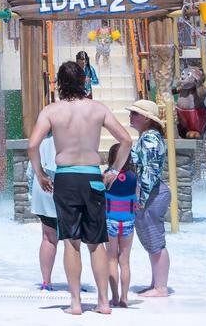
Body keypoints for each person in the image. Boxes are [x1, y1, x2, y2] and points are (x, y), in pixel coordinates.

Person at [27, 62, 132, 316]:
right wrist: (114, 171)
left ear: (58, 83)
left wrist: (40, 174)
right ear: (85, 81)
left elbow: (32, 145)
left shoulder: (51, 111)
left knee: (71, 242)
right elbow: (127, 140)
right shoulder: (97, 109)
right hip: (92, 177)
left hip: (65, 178)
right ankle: (103, 302)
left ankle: (75, 303)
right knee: (96, 243)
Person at [127, 98, 171, 298]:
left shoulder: (150, 138)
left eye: (135, 113)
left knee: (154, 239)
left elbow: (150, 171)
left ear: (146, 118)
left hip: (152, 193)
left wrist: (141, 198)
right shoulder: (148, 136)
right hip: (152, 192)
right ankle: (157, 284)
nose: (131, 116)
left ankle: (161, 287)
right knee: (151, 239)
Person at [104, 143, 137, 308]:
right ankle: (125, 298)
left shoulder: (107, 176)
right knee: (125, 261)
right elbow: (137, 199)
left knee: (111, 259)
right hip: (128, 222)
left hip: (110, 221)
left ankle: (115, 297)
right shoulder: (133, 176)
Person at [26, 130, 58, 291]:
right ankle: (75, 284)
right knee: (73, 240)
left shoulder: (41, 143)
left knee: (48, 238)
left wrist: (31, 195)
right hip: (68, 187)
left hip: (44, 188)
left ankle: (46, 282)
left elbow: (30, 172)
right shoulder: (73, 139)